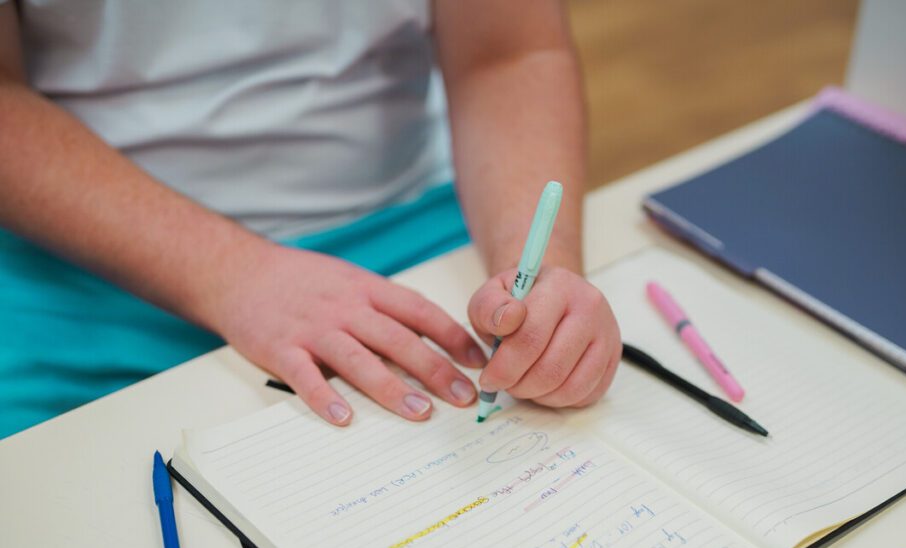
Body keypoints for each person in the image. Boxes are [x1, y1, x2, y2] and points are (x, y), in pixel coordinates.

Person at [0, 0, 621, 438]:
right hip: (87, 258)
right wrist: (231, 272)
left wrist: (544, 275)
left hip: (415, 223)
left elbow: (506, 52)